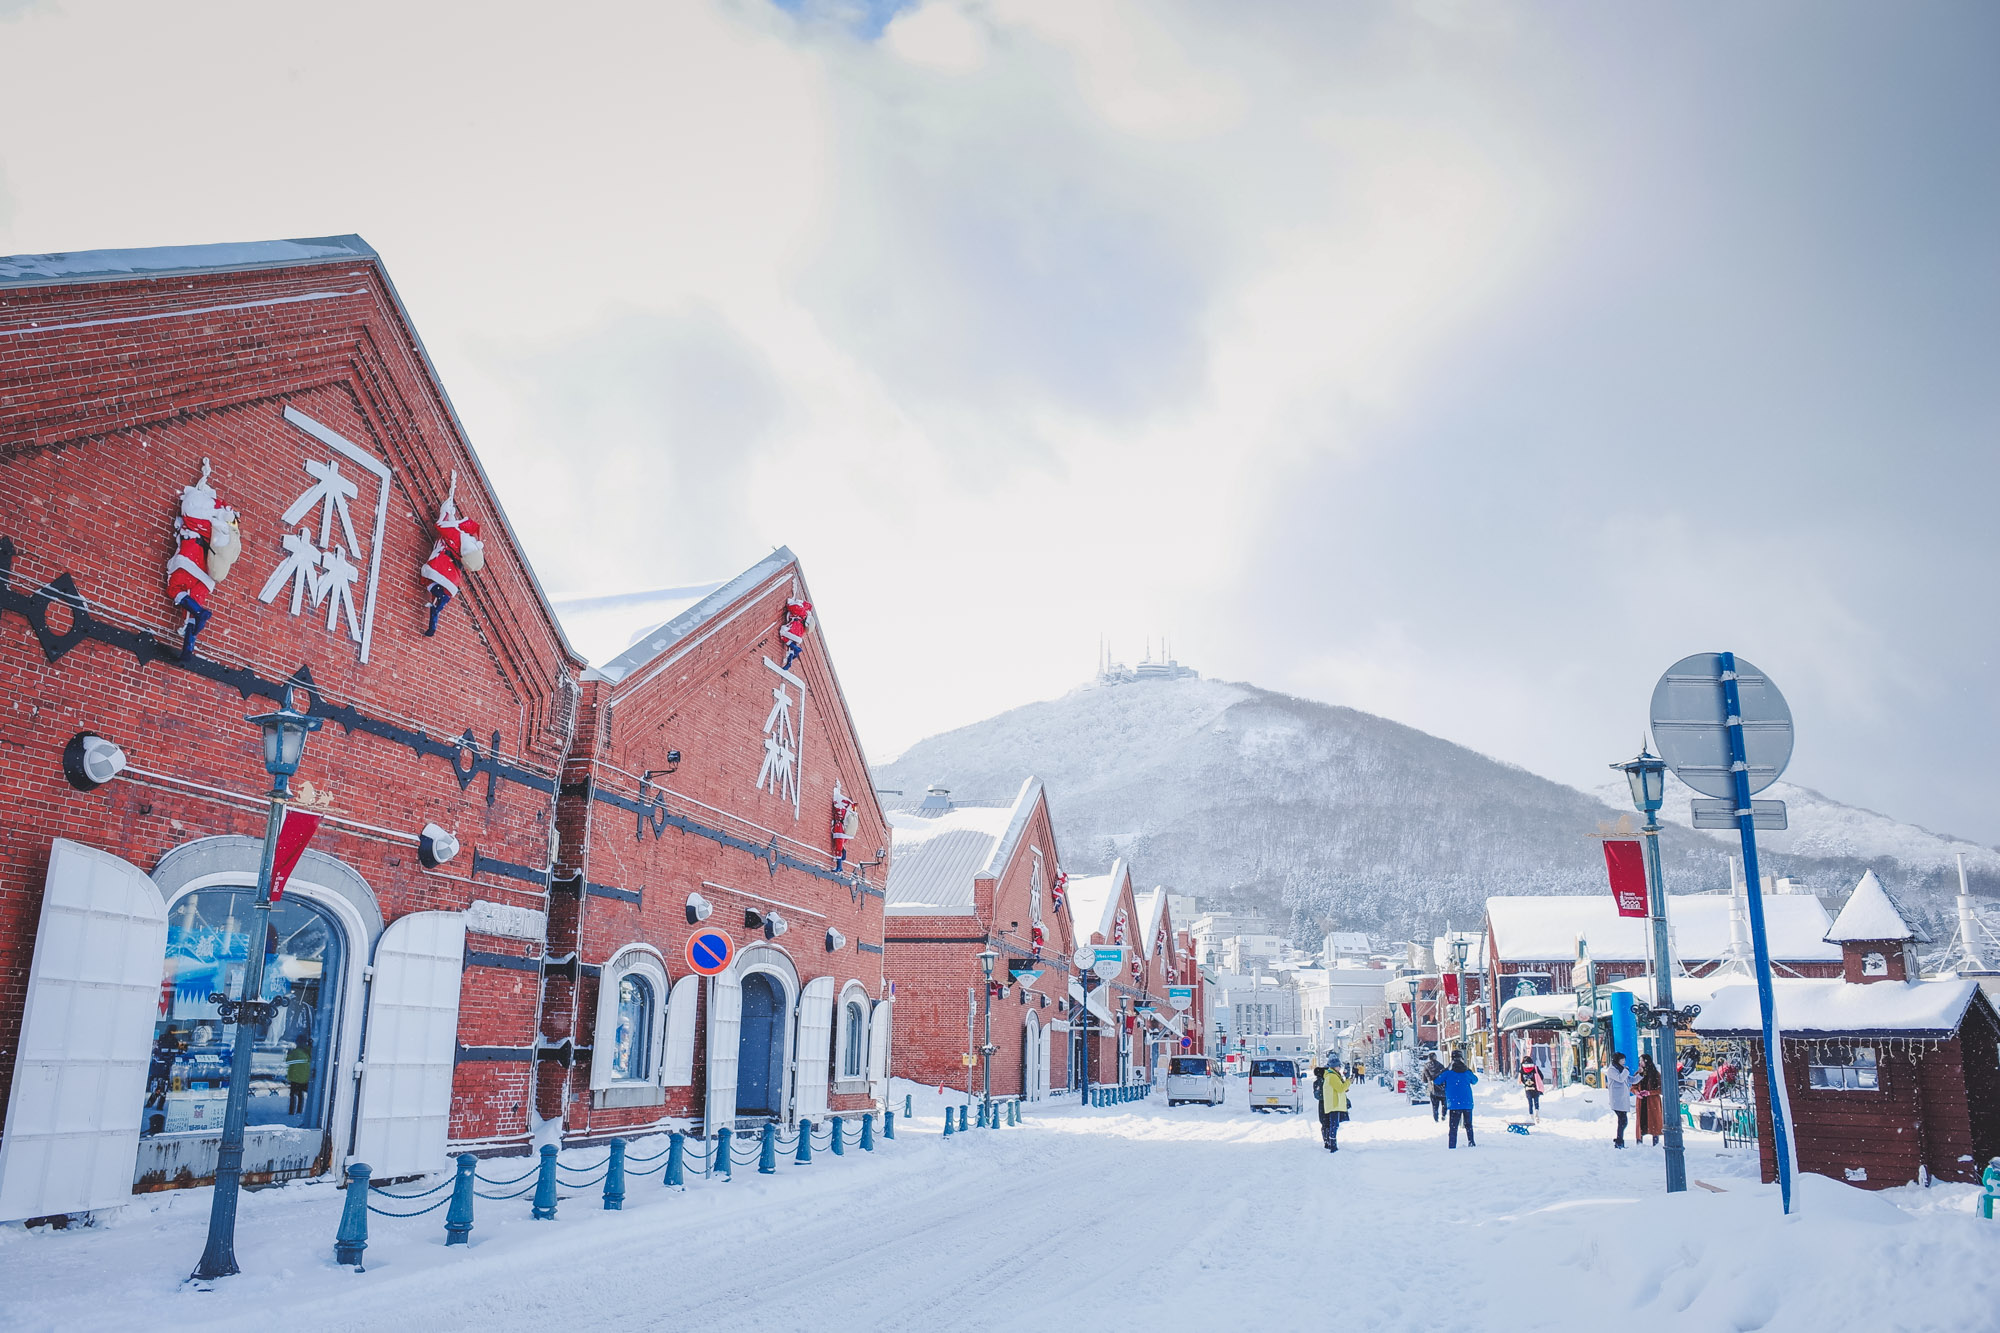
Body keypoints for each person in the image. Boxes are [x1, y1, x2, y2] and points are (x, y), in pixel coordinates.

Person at [1436, 1050, 1479, 1148]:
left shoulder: (1448, 1072)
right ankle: (1471, 1142)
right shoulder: (1466, 1071)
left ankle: (1452, 1145)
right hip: (1467, 1102)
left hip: (1454, 1103)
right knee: (1468, 1125)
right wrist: (1468, 1071)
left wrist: (1445, 1071)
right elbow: (1475, 1080)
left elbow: (1437, 1081)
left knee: (1453, 1127)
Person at [1315, 1055, 1351, 1152]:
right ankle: (1332, 1145)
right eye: (1338, 1066)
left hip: (1333, 1104)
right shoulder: (1332, 1076)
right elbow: (1340, 1088)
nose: (1340, 1067)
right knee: (1333, 1125)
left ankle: (1330, 1143)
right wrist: (1349, 1081)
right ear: (1334, 1066)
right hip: (1334, 1104)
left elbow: (1341, 1088)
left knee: (1331, 1125)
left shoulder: (1332, 1075)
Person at [1604, 1051, 1636, 1148]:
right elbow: (1621, 1078)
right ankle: (1619, 1141)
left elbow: (1630, 1080)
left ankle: (1619, 1140)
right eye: (1622, 1060)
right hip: (1617, 1099)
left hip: (1622, 1099)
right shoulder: (1612, 1070)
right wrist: (1626, 1070)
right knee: (1623, 1121)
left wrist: (1641, 1075)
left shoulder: (1621, 1069)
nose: (1624, 1061)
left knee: (1623, 1121)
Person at [1636, 1053, 1663, 1146]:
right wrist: (1636, 1092)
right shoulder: (1638, 1073)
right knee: (1641, 1121)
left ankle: (1655, 1141)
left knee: (1654, 1121)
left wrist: (1650, 1093)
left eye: (1642, 1061)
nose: (1640, 1063)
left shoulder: (1655, 1074)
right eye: (1640, 1061)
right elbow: (1633, 1086)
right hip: (1641, 1101)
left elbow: (1661, 1089)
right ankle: (1639, 1141)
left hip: (1652, 1102)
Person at [285, 1034, 313, 1115]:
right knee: (300, 1095)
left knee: (293, 1095)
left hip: (295, 1078)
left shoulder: (295, 1052)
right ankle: (299, 1111)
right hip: (305, 1078)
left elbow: (288, 1061)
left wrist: (288, 1053)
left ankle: (291, 1111)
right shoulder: (309, 1052)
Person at [1422, 1052, 1447, 1122]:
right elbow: (1445, 1076)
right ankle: (1443, 1115)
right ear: (1435, 1057)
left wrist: (1429, 1079)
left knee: (1435, 1105)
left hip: (1432, 1089)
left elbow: (1424, 1080)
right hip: (1442, 1088)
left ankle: (1436, 1118)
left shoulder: (1426, 1067)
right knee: (1444, 1103)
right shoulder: (1441, 1066)